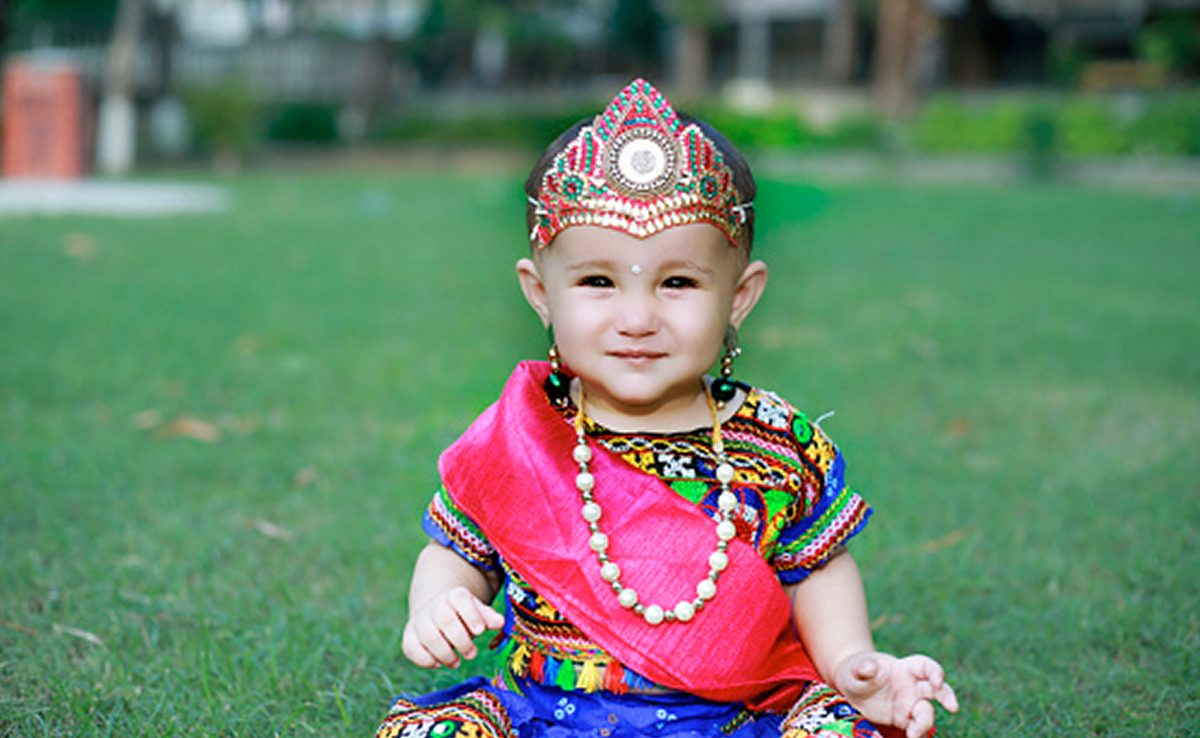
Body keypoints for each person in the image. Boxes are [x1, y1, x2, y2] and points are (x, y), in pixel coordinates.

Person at [375, 78, 958, 738]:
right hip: (542, 710)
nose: (637, 317)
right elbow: (457, 550)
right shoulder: (521, 436)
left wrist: (852, 660)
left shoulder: (777, 441)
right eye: (597, 281)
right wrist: (439, 603)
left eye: (677, 282)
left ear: (740, 296)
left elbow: (815, 571)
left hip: (731, 718)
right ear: (540, 294)